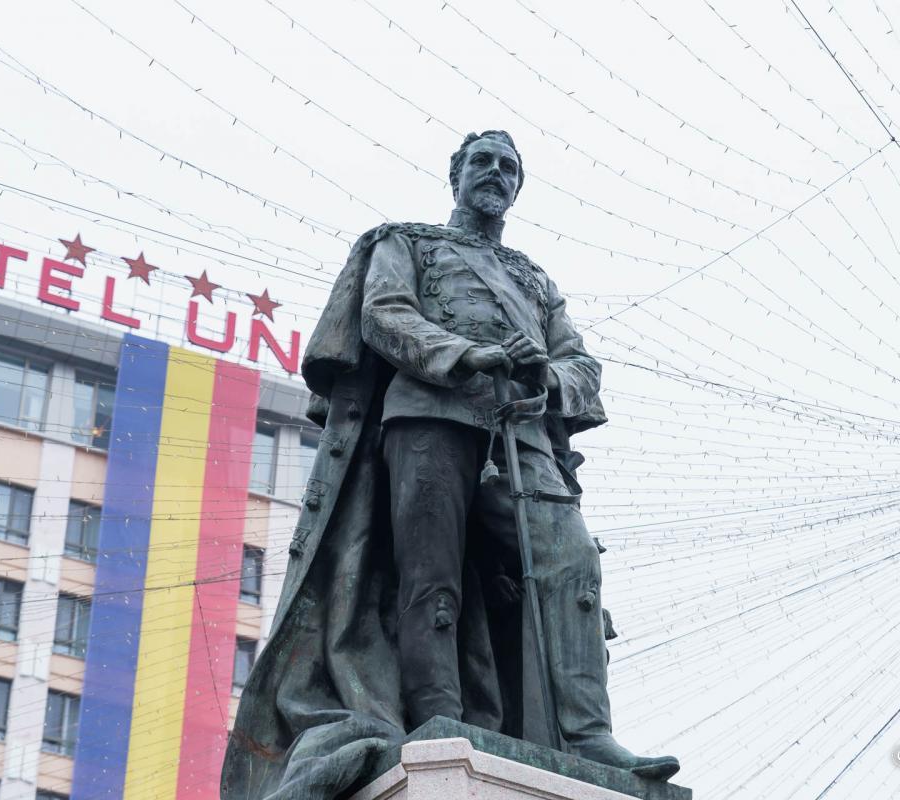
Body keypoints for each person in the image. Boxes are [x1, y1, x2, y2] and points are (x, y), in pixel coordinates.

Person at [222, 131, 678, 800]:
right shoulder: (406, 242)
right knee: (430, 575)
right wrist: (463, 354)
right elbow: (383, 315)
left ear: (517, 187)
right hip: (429, 416)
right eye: (482, 162)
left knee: (572, 561)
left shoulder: (535, 279)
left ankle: (586, 734)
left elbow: (581, 363)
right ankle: (440, 715)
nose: (495, 173)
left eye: (508, 167)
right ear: (456, 175)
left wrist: (546, 376)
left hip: (519, 431)